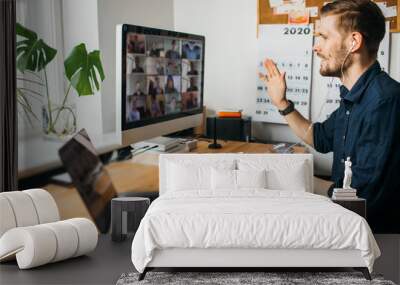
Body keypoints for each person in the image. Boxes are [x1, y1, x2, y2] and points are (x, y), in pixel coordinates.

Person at [259, 0, 400, 233]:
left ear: (354, 42)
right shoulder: (354, 97)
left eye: (324, 37)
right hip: (349, 224)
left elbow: (361, 200)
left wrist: (301, 184)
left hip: (373, 240)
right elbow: (320, 137)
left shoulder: (384, 102)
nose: (316, 47)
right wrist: (282, 104)